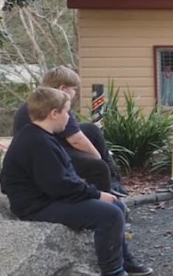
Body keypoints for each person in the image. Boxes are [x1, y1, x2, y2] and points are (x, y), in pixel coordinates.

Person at [1, 87, 151, 276]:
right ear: (54, 113)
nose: (69, 118)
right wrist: (97, 194)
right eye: (67, 112)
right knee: (109, 214)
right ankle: (112, 275)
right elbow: (60, 186)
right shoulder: (38, 143)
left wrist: (98, 194)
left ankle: (124, 261)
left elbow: (62, 181)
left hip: (46, 198)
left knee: (115, 204)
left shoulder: (40, 136)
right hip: (36, 206)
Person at [13, 66, 127, 196]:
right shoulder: (57, 103)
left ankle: (113, 180)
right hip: (42, 154)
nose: (75, 94)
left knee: (91, 130)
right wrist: (99, 159)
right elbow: (76, 140)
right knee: (98, 167)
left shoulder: (40, 100)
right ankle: (103, 200)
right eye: (74, 89)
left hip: (44, 143)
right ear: (63, 88)